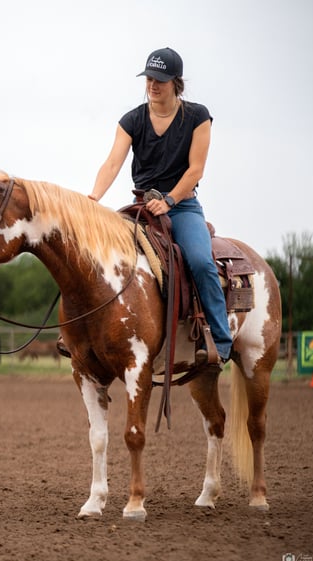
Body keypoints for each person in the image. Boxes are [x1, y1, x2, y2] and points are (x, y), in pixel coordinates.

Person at [60, 47, 233, 365]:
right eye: (149, 78)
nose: (153, 85)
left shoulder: (197, 117)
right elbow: (112, 162)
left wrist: (169, 201)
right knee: (96, 253)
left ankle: (220, 340)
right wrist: (94, 198)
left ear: (176, 82)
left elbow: (196, 169)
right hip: (140, 205)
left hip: (181, 206)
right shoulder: (132, 120)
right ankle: (77, 329)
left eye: (161, 80)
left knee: (200, 260)